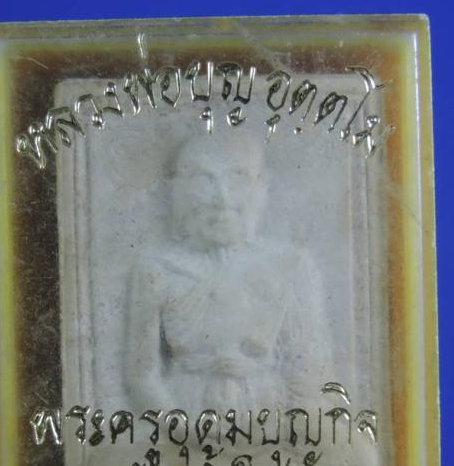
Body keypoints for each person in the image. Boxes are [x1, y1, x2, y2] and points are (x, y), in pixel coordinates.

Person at [123, 134, 330, 420]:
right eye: (203, 181)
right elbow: (141, 375)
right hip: (184, 415)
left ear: (262, 186)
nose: (222, 198)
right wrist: (181, 429)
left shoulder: (292, 265)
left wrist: (290, 428)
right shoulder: (158, 268)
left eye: (237, 180)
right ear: (177, 190)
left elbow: (308, 369)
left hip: (271, 418)